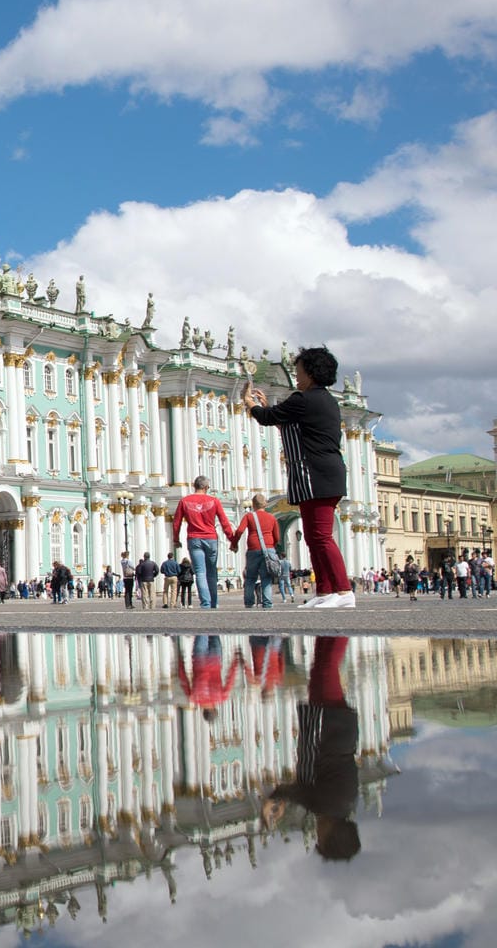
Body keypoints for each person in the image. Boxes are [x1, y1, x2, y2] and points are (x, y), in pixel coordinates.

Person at [245, 347, 353, 609]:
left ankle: (343, 590)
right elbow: (292, 426)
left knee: (322, 536)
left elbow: (269, 419)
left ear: (312, 372)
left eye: (299, 370)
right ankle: (326, 591)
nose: (296, 374)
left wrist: (251, 405)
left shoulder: (303, 399)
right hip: (320, 473)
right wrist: (269, 407)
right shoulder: (324, 400)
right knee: (314, 536)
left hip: (316, 473)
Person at [263, 637, 361, 860]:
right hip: (329, 725)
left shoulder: (341, 805)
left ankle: (329, 624)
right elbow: (296, 793)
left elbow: (300, 793)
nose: (317, 834)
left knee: (320, 669)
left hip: (335, 726)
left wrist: (283, 801)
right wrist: (274, 800)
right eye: (321, 839)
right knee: (326, 668)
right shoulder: (328, 806)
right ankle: (343, 616)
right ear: (331, 835)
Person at [171, 476, 235, 609]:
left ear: (195, 486)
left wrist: (176, 539)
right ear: (206, 487)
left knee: (200, 572)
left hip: (194, 539)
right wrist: (232, 540)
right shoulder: (214, 501)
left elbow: (176, 522)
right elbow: (224, 522)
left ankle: (205, 602)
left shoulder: (185, 501)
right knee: (211, 572)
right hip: (211, 538)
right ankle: (213, 602)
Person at [231, 494, 283, 609]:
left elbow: (239, 531)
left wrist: (234, 544)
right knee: (266, 578)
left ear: (253, 505)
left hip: (253, 549)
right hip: (268, 550)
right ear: (265, 504)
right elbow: (277, 537)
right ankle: (267, 603)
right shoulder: (272, 518)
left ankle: (249, 603)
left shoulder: (249, 516)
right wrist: (270, 547)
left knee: (250, 578)